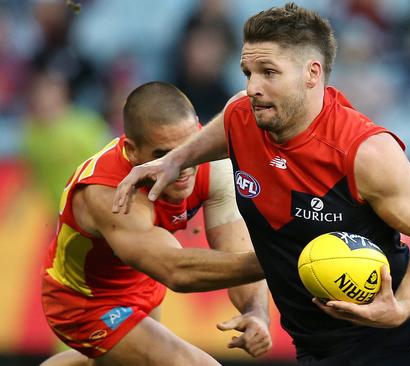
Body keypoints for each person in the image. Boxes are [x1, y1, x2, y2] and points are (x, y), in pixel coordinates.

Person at [113, 4, 410, 366]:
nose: (252, 87)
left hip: (408, 327)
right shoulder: (242, 116)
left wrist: (399, 308)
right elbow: (228, 123)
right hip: (321, 346)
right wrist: (174, 160)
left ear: (312, 73)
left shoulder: (363, 151)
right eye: (248, 73)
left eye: (269, 72)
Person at [41, 82, 271, 366]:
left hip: (143, 282)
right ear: (132, 151)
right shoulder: (111, 194)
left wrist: (255, 311)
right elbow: (176, 271)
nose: (181, 166)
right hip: (85, 303)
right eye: (162, 154)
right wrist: (282, 260)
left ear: (198, 130)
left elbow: (238, 252)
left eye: (187, 148)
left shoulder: (212, 164)